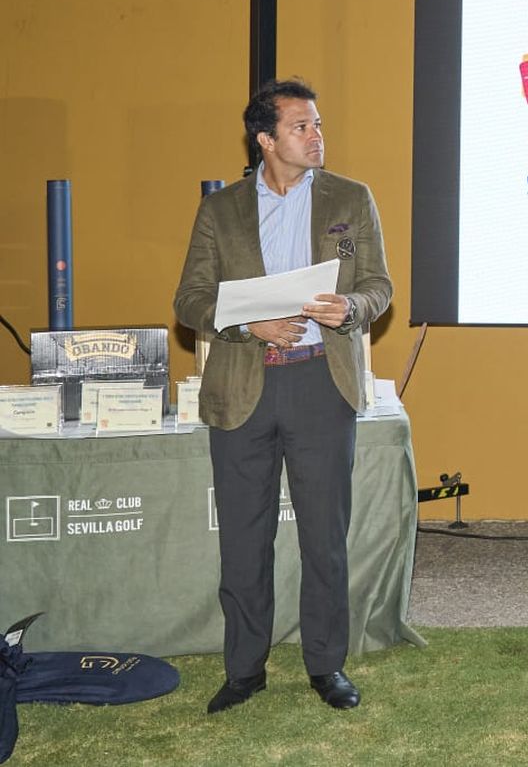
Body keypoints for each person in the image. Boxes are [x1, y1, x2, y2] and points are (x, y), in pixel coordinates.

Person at [174, 78, 393, 714]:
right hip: (245, 385)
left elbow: (379, 286)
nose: (317, 135)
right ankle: (244, 670)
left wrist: (349, 305)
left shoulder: (352, 198)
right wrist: (248, 323)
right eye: (302, 127)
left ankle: (328, 666)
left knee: (325, 535)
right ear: (266, 140)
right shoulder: (221, 210)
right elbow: (189, 300)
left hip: (322, 383)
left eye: (318, 125)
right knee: (244, 538)